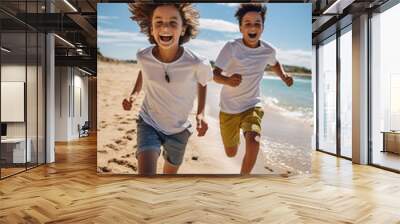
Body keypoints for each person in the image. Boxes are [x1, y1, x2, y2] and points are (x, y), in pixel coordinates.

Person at [122, 3, 212, 175]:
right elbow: (144, 72)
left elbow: (203, 81)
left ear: (183, 29)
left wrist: (201, 113)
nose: (165, 27)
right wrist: (134, 94)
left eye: (173, 22)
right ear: (151, 29)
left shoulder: (196, 62)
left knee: (168, 177)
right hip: (149, 122)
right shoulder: (143, 56)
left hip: (179, 130)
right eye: (159, 22)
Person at [213, 3, 293, 174]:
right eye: (247, 23)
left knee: (254, 141)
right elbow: (215, 74)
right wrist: (228, 80)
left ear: (263, 28)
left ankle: (243, 179)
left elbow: (275, 63)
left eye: (257, 23)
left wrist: (284, 76)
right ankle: (237, 137)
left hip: (252, 105)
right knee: (231, 152)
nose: (252, 27)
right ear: (241, 27)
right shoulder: (231, 47)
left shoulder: (268, 50)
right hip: (229, 108)